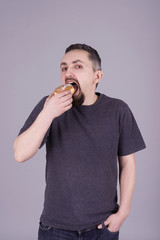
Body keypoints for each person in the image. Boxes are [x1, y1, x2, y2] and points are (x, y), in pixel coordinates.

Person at [14, 43, 146, 240]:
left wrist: (123, 212)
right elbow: (20, 154)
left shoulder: (118, 110)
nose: (68, 72)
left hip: (103, 227)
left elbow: (127, 163)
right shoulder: (49, 105)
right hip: (55, 228)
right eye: (64, 67)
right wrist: (48, 113)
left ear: (97, 76)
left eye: (78, 66)